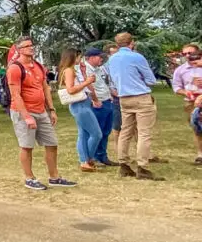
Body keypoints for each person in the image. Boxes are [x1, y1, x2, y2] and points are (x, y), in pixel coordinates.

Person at [7, 36, 76, 190]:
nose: (31, 48)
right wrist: (26, 116)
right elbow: (15, 94)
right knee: (27, 146)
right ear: (19, 49)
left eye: (32, 45)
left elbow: (45, 88)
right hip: (23, 111)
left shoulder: (38, 65)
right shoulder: (15, 68)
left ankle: (54, 177)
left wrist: (51, 109)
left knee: (52, 143)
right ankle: (29, 178)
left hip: (41, 110)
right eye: (27, 46)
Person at [108, 32, 163, 180]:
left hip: (123, 98)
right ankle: (143, 167)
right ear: (132, 43)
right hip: (140, 96)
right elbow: (151, 79)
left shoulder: (112, 59)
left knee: (125, 131)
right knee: (144, 133)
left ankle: (123, 165)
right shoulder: (136, 57)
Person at [58, 48, 102, 172]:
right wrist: (87, 81)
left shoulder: (73, 70)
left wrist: (83, 74)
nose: (80, 60)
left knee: (83, 134)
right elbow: (71, 90)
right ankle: (87, 158)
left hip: (83, 103)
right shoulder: (69, 71)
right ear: (73, 57)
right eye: (79, 57)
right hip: (79, 105)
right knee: (96, 133)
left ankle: (85, 160)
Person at [82, 48, 117, 165]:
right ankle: (95, 157)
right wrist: (95, 100)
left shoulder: (99, 69)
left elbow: (104, 83)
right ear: (91, 57)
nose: (101, 59)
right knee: (98, 131)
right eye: (98, 56)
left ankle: (103, 156)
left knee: (106, 131)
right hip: (98, 103)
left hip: (107, 101)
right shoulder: (86, 70)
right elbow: (89, 87)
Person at [171, 44, 202, 165]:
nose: (188, 56)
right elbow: (176, 87)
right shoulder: (180, 70)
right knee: (197, 128)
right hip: (191, 102)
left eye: (190, 53)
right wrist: (186, 92)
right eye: (185, 54)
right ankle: (200, 155)